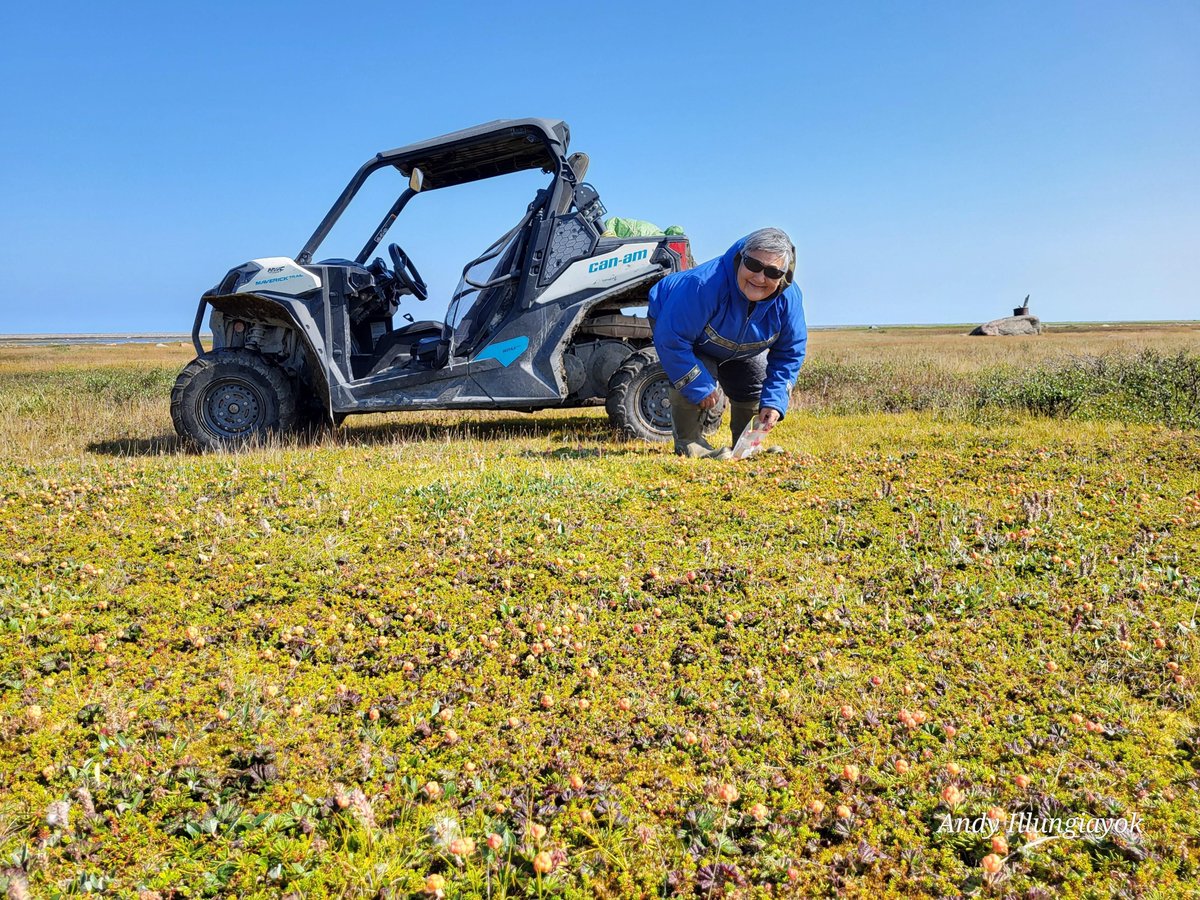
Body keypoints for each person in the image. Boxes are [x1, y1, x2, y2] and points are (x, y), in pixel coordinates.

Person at [648, 228, 807, 458]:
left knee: (753, 376)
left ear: (784, 275)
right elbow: (672, 339)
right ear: (741, 258)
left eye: (772, 272)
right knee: (698, 371)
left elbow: (789, 354)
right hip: (677, 325)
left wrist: (774, 401)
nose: (759, 278)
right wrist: (699, 385)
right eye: (753, 265)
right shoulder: (703, 284)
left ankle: (745, 447)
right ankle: (689, 443)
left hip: (739, 343)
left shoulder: (789, 300)